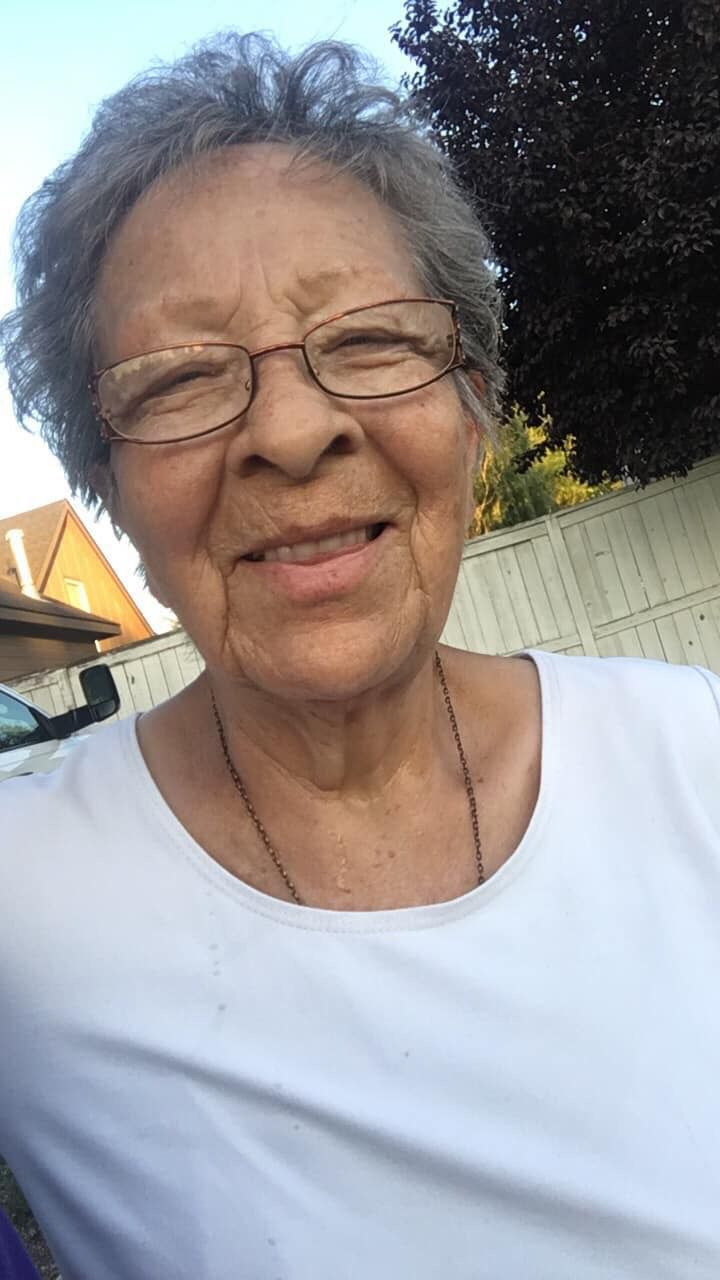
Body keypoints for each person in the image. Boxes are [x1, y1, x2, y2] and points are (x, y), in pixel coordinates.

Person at [0, 32, 719, 1280]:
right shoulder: (26, 904)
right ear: (109, 486)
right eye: (178, 378)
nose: (291, 431)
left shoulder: (695, 759)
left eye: (372, 339)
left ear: (473, 405)